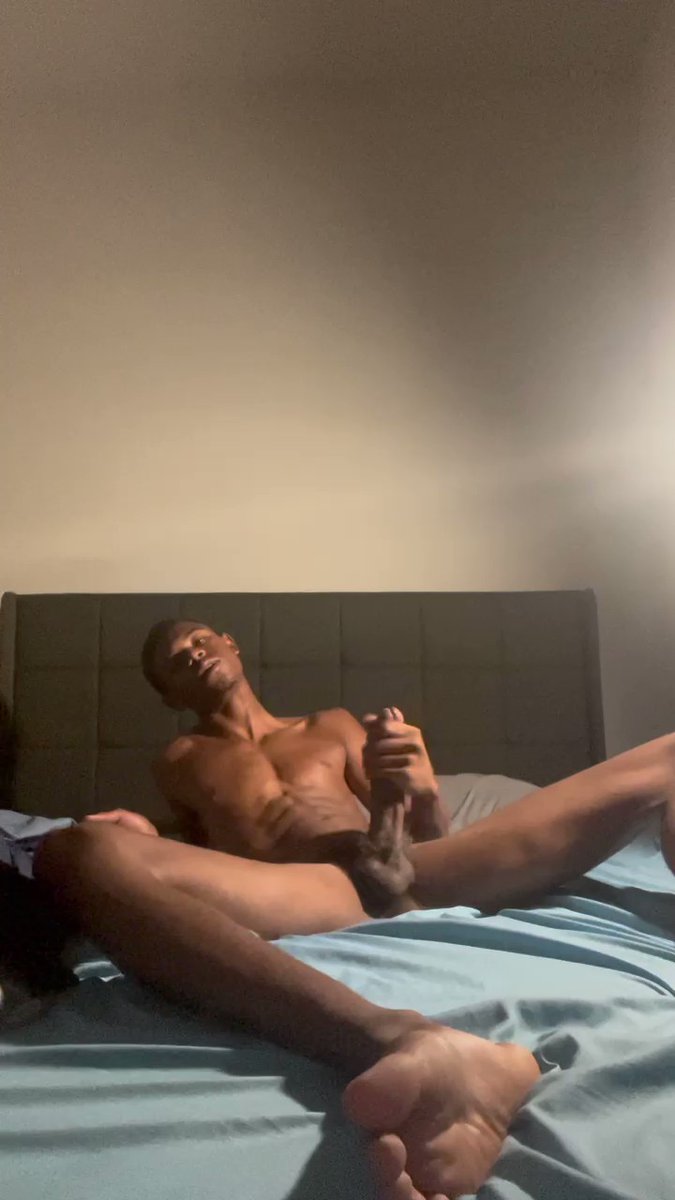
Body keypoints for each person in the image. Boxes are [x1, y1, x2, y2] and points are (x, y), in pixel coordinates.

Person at [85, 617, 675, 937]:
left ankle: (387, 830)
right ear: (170, 696)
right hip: (301, 893)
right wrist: (146, 838)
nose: (192, 652)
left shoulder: (330, 725)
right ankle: (384, 859)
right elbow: (204, 859)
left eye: (200, 639)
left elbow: (433, 838)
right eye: (175, 660)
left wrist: (422, 790)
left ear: (231, 645)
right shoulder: (180, 760)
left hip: (407, 868)